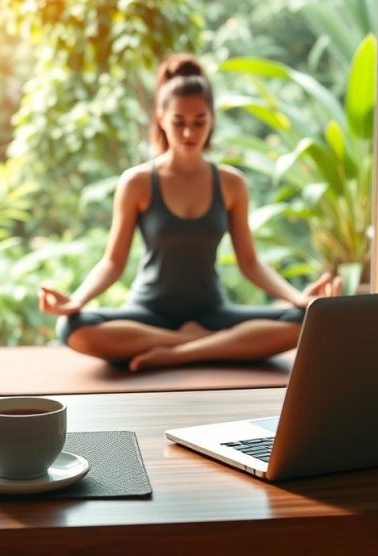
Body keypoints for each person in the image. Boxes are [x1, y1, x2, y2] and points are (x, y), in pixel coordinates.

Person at [38, 54, 341, 372]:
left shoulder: (230, 183)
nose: (188, 133)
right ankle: (204, 343)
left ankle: (179, 353)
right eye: (178, 122)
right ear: (160, 119)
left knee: (302, 320)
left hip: (212, 310)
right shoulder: (137, 182)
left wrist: (297, 298)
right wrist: (76, 301)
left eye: (199, 122)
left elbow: (250, 263)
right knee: (73, 328)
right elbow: (113, 262)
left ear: (211, 119)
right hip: (148, 312)